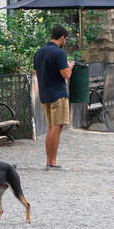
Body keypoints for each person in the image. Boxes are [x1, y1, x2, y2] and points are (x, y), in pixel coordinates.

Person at [33, 25, 74, 170]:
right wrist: (69, 66)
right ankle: (53, 161)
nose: (65, 43)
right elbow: (66, 75)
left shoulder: (39, 52)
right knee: (57, 127)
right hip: (58, 94)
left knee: (50, 128)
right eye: (66, 40)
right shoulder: (59, 53)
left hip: (45, 94)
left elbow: (37, 74)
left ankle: (48, 160)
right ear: (62, 37)